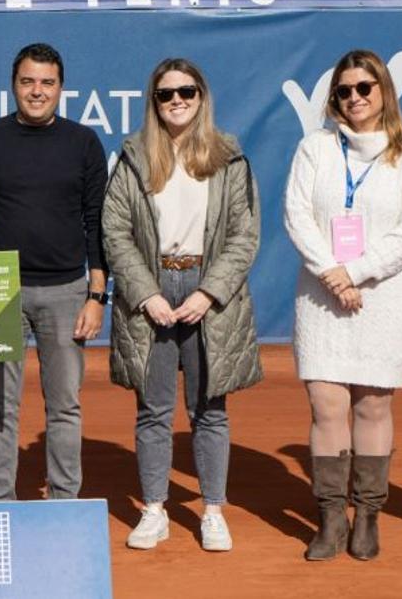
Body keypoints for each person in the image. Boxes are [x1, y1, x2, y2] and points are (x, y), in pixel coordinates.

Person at [283, 49, 402, 561]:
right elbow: (298, 216)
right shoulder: (314, 149)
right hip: (322, 296)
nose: (355, 98)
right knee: (326, 405)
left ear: (384, 92)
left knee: (373, 405)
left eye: (364, 88)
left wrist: (356, 272)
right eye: (345, 91)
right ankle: (330, 516)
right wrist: (334, 272)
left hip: (385, 296)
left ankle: (367, 513)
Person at [103, 58, 263, 552]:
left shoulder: (229, 157)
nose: (177, 101)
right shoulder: (132, 157)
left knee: (209, 410)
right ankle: (154, 510)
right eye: (166, 94)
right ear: (153, 102)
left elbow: (244, 234)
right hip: (149, 291)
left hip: (207, 292)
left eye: (186, 93)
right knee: (152, 411)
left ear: (201, 97)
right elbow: (115, 231)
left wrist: (208, 291)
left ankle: (212, 510)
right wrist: (146, 292)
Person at [0, 43, 108, 501]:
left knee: (65, 407)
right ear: (13, 85)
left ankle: (64, 501)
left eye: (47, 83)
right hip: (0, 292)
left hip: (67, 291)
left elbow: (96, 218)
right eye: (27, 82)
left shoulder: (83, 142)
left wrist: (96, 294)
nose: (36, 91)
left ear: (60, 88)